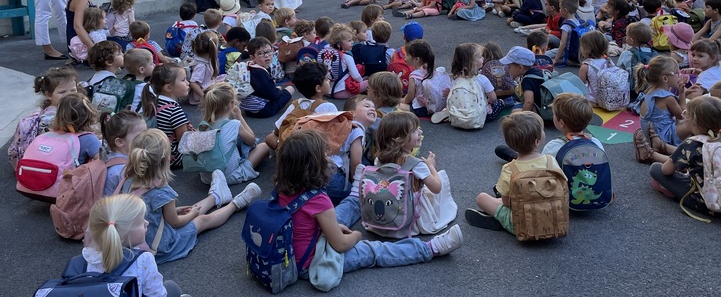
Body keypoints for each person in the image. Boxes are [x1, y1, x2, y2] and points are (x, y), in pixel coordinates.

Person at [273, 129, 462, 287]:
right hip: (312, 262)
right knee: (373, 251)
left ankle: (356, 197)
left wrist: (332, 228)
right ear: (315, 165)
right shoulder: (318, 200)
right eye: (325, 155)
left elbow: (301, 222)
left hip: (289, 252)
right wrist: (357, 236)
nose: (328, 158)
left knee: (339, 213)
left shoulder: (282, 189)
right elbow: (341, 245)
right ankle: (429, 248)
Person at [120, 129, 261, 263]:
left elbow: (148, 213)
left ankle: (216, 196)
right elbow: (175, 223)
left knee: (190, 211)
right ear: (167, 159)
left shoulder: (128, 182)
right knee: (202, 220)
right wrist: (193, 214)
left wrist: (176, 211)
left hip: (138, 239)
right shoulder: (162, 191)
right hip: (161, 246)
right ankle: (236, 204)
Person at [466, 112, 567, 233]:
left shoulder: (510, 169)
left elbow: (506, 203)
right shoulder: (550, 161)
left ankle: (501, 220)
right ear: (537, 141)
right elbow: (563, 185)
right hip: (554, 219)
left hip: (522, 224)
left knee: (481, 198)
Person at [79, 194, 185, 297]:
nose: (146, 223)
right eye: (141, 221)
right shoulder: (143, 259)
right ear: (126, 231)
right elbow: (157, 294)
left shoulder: (86, 257)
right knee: (172, 287)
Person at [648, 95, 721, 215]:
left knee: (655, 169)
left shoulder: (692, 143)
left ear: (694, 121)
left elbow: (666, 170)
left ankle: (651, 154)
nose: (684, 116)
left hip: (706, 203)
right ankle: (660, 149)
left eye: (686, 114)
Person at [7, 66, 78, 170]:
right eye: (62, 92)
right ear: (49, 95)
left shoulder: (56, 109)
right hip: (47, 159)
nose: (69, 95)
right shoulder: (50, 118)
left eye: (73, 90)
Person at [200, 82, 268, 184]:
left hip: (207, 178)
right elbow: (252, 140)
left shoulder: (203, 126)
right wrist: (239, 117)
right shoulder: (234, 124)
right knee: (263, 147)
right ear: (232, 104)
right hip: (228, 177)